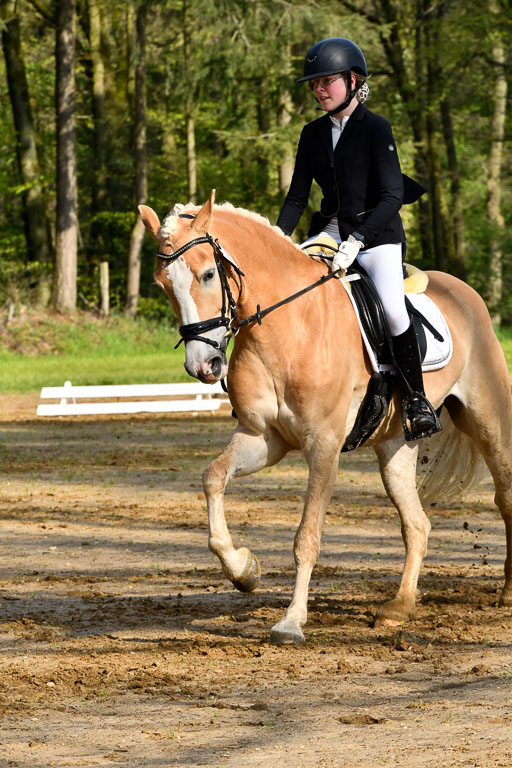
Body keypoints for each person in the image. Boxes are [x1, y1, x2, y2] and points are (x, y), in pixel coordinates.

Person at [276, 37, 441, 441]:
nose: (318, 89)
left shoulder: (375, 128)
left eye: (326, 81)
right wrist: (277, 241)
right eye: (314, 83)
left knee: (391, 307)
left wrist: (360, 240)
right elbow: (297, 197)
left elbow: (392, 196)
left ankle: (417, 400)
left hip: (378, 235)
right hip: (331, 231)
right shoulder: (311, 133)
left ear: (353, 81)